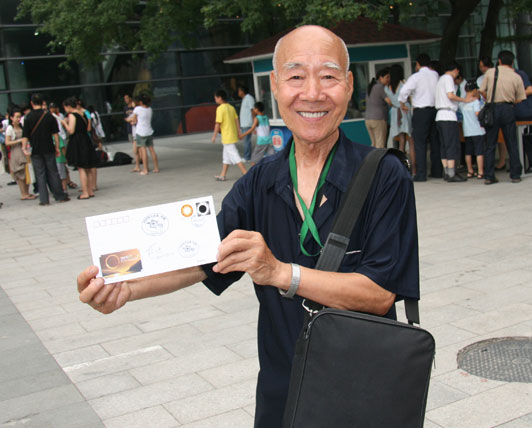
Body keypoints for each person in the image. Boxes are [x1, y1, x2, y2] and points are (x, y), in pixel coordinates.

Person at [76, 25, 419, 428]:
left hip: (363, 392)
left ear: (347, 85)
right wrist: (127, 285)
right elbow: (202, 257)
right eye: (295, 76)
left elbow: (379, 294)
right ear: (275, 86)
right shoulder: (260, 181)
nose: (312, 93)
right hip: (283, 390)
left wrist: (279, 273)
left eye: (328, 76)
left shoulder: (384, 174)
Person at [479, 50, 526, 184]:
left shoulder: (490, 72)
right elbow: (520, 98)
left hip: (492, 109)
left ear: (499, 61)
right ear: (512, 62)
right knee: (511, 142)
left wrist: (489, 100)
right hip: (508, 109)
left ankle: (489, 176)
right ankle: (515, 174)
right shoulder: (516, 76)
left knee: (490, 144)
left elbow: (481, 90)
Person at [399, 53, 442, 181]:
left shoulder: (416, 77)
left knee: (420, 143)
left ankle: (421, 174)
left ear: (418, 64)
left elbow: (403, 92)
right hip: (435, 110)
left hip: (421, 112)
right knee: (435, 142)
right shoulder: (435, 75)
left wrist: (403, 103)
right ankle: (437, 171)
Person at [21, 93, 69, 206]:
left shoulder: (28, 117)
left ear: (32, 103)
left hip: (36, 150)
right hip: (49, 148)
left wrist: (24, 148)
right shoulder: (49, 116)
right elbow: (55, 135)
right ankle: (59, 195)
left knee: (40, 174)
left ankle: (44, 199)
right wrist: (57, 147)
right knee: (53, 172)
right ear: (43, 103)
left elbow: (25, 136)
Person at [435, 61, 473, 182]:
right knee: (451, 144)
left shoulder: (440, 79)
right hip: (448, 115)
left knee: (444, 145)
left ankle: (446, 171)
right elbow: (450, 95)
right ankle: (452, 173)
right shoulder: (448, 79)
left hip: (440, 116)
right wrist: (464, 100)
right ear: (455, 70)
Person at [62, 97, 96, 199]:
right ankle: (90, 190)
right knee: (88, 167)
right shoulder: (83, 114)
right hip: (85, 140)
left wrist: (64, 123)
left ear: (68, 106)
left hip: (78, 142)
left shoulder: (72, 115)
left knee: (81, 168)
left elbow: (71, 131)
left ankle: (85, 192)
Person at [385, 64, 416, 174]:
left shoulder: (387, 87)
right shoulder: (403, 84)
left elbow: (389, 102)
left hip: (394, 113)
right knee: (411, 141)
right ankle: (414, 169)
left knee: (401, 142)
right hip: (405, 112)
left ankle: (402, 168)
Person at [478, 56, 507, 170]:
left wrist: (487, 98)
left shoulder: (497, 75)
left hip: (493, 107)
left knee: (499, 138)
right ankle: (491, 165)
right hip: (486, 109)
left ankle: (501, 161)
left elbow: (481, 91)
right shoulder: (480, 78)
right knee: (491, 138)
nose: (481, 69)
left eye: (482, 66)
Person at [211, 89, 247, 180]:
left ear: (219, 98)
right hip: (232, 135)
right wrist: (239, 132)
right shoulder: (231, 107)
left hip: (227, 137)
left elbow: (217, 123)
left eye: (215, 98)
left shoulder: (220, 109)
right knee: (226, 157)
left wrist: (214, 135)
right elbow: (236, 120)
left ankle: (246, 174)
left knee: (235, 156)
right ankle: (222, 175)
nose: (215, 99)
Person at [5, 108, 36, 200]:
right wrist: (19, 140)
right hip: (16, 152)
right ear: (11, 118)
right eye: (17, 117)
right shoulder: (10, 128)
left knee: (26, 172)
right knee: (20, 173)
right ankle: (23, 193)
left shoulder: (22, 126)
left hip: (24, 151)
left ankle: (27, 192)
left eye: (20, 117)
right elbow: (7, 142)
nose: (19, 119)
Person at [126, 94, 159, 175]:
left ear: (140, 102)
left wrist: (127, 119)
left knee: (143, 151)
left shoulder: (137, 109)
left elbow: (133, 119)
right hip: (149, 131)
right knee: (152, 150)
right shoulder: (150, 109)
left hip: (140, 132)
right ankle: (156, 168)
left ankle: (145, 169)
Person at [458, 80, 485, 179]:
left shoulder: (462, 103)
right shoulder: (475, 102)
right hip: (477, 130)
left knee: (468, 152)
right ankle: (480, 172)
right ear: (474, 90)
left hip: (467, 130)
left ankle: (470, 171)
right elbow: (478, 114)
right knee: (479, 151)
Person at [514, 68, 532, 173]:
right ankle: (520, 166)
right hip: (513, 113)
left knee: (528, 140)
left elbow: (529, 90)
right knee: (518, 142)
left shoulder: (520, 74)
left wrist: (516, 96)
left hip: (525, 112)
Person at [239, 101, 275, 166]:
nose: (254, 110)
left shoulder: (257, 118)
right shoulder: (266, 117)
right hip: (269, 140)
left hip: (261, 141)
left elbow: (252, 129)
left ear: (257, 109)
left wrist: (242, 135)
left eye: (254, 108)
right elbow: (267, 128)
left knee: (254, 158)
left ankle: (253, 172)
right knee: (272, 157)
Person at [364, 67, 391, 148]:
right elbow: (389, 101)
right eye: (387, 77)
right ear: (380, 77)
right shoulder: (380, 87)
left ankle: (373, 160)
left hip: (368, 119)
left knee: (374, 144)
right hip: (378, 119)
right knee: (380, 145)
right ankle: (379, 161)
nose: (389, 80)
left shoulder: (371, 87)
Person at [238, 85, 255, 162]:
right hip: (244, 124)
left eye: (239, 91)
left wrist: (254, 122)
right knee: (246, 141)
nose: (238, 92)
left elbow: (252, 110)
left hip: (248, 123)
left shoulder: (249, 98)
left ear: (243, 91)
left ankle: (247, 157)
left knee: (246, 141)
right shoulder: (244, 99)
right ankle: (247, 156)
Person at [124, 94, 141, 172]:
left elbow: (133, 120)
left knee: (140, 149)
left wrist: (130, 120)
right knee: (135, 150)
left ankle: (142, 164)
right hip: (133, 132)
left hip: (138, 132)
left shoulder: (137, 110)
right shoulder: (129, 109)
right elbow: (127, 119)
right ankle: (137, 166)